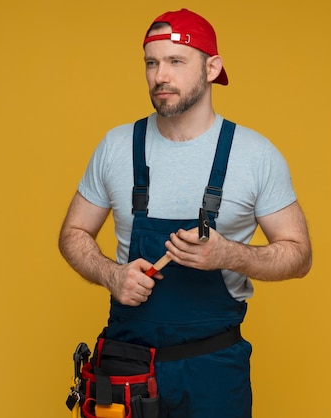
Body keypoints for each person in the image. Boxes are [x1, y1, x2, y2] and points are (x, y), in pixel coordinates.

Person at [59, 8, 312, 418]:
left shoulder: (255, 155)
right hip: (129, 369)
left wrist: (229, 255)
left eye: (176, 61)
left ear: (212, 68)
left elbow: (299, 255)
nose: (161, 76)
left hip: (214, 373)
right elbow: (72, 232)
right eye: (152, 63)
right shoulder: (117, 146)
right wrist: (111, 274)